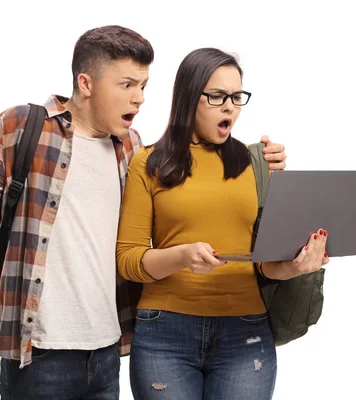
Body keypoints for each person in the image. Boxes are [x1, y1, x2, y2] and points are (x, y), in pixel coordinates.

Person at [0, 25, 287, 399]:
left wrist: (260, 158)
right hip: (38, 350)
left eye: (143, 86)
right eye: (127, 85)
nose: (138, 99)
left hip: (108, 350)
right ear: (86, 83)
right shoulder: (23, 126)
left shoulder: (131, 148)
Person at [116, 47, 328, 400]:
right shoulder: (147, 162)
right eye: (216, 96)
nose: (230, 106)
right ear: (188, 97)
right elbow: (128, 260)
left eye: (236, 96)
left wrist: (292, 267)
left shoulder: (255, 162)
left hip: (245, 334)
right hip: (164, 333)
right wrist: (181, 256)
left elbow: (262, 262)